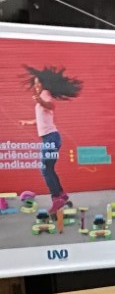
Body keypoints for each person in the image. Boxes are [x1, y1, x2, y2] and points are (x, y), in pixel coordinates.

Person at [19, 65, 82, 215]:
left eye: (38, 83)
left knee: (45, 168)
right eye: (35, 83)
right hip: (51, 138)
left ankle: (56, 198)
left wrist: (39, 100)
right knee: (49, 168)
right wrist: (28, 122)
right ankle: (61, 195)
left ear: (44, 83)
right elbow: (42, 118)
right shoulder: (41, 98)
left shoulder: (45, 94)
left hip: (51, 138)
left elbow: (51, 106)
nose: (36, 85)